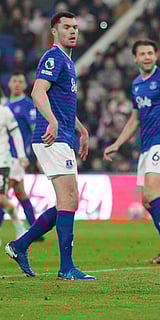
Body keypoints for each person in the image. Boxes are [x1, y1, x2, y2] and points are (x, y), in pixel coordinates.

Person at [5, 11, 95, 280]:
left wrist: (81, 129)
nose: (73, 31)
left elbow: (62, 104)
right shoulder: (54, 57)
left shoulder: (68, 62)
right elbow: (37, 91)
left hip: (64, 135)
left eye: (76, 27)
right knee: (68, 199)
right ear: (54, 31)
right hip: (51, 137)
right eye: (67, 27)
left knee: (68, 202)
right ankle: (66, 268)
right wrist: (52, 122)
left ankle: (20, 245)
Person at [104, 39, 160, 264]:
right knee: (146, 201)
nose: (147, 57)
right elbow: (135, 119)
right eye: (142, 53)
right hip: (146, 146)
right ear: (135, 58)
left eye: (150, 53)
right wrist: (118, 143)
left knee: (153, 193)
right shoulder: (136, 85)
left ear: (156, 56)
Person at [5, 72, 38, 229]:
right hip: (4, 155)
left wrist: (36, 155)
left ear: (24, 85)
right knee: (20, 193)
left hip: (17, 157)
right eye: (14, 81)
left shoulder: (28, 105)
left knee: (2, 194)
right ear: (9, 84)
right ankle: (35, 228)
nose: (17, 84)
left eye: (20, 81)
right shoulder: (5, 106)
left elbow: (34, 130)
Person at [0, 105, 28, 241]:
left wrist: (22, 155)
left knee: (0, 198)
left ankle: (18, 223)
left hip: (2, 161)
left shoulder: (4, 111)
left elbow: (16, 133)